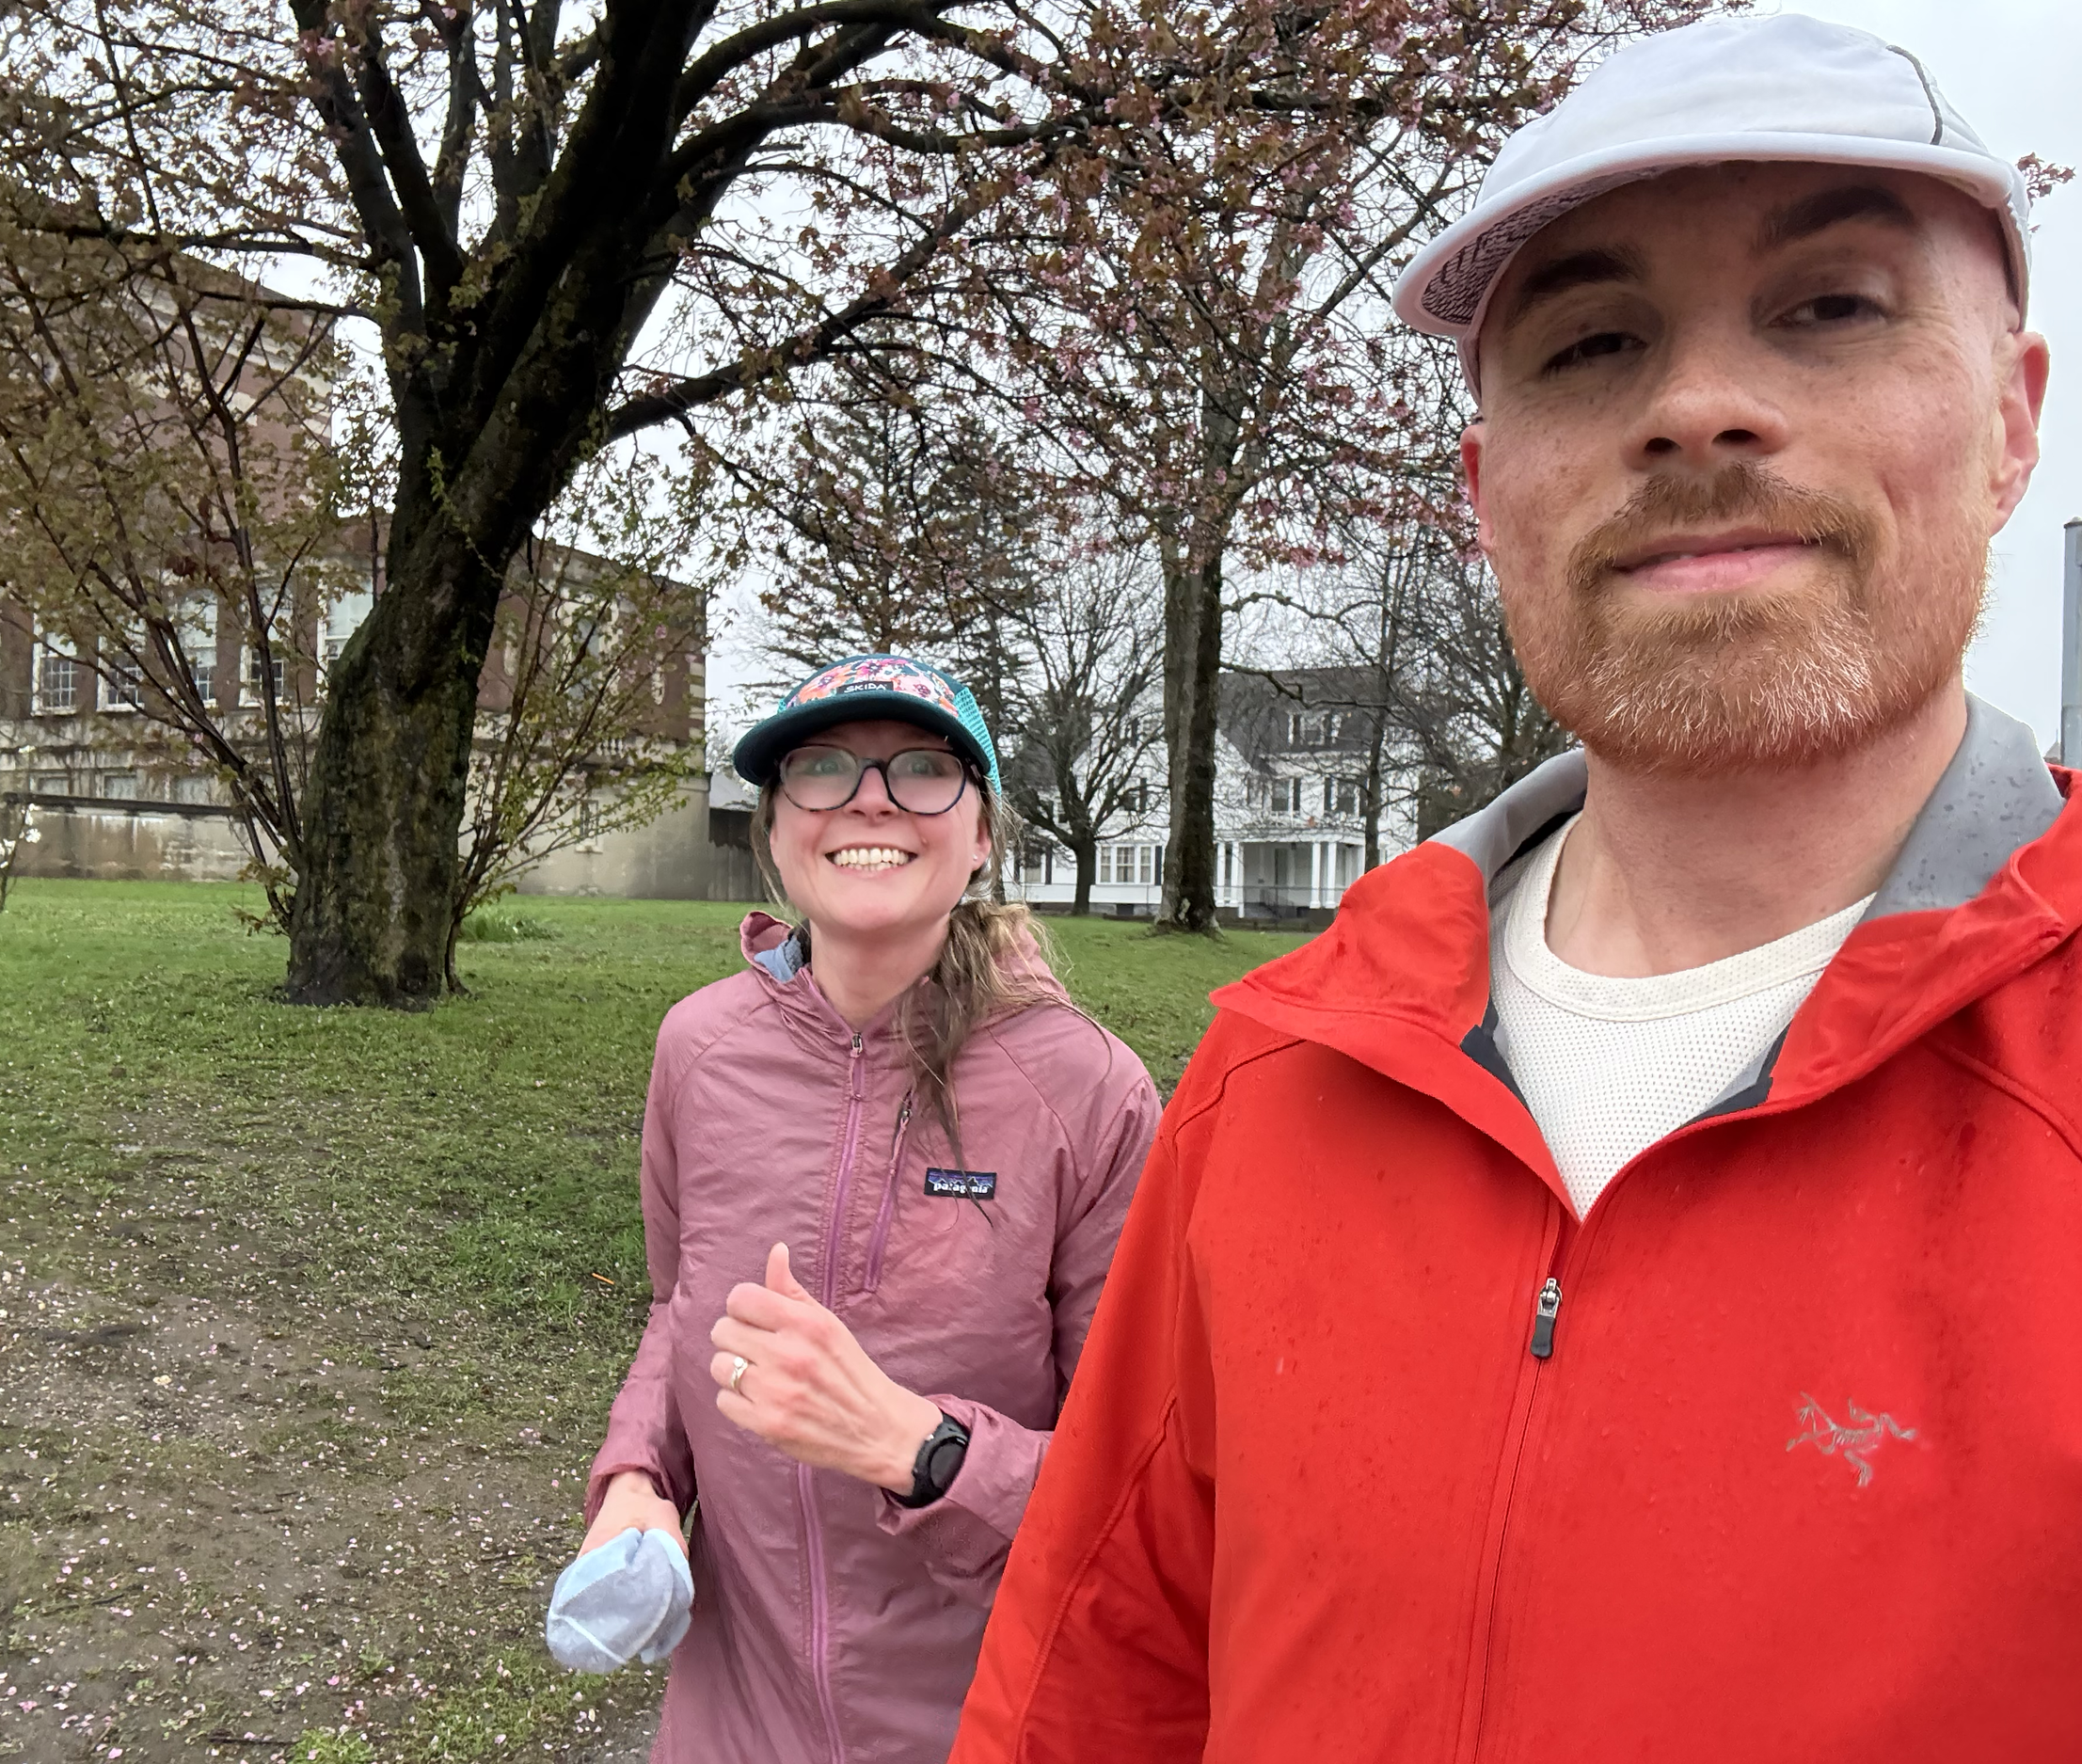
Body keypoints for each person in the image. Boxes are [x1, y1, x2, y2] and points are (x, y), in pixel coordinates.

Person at [950, 16, 2081, 1761]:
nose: (1699, 403)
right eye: (1594, 340)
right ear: (1488, 497)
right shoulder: (1277, 1073)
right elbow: (1092, 1692)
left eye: (1830, 307)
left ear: (2011, 420)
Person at [576, 653, 1160, 1762]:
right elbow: (679, 1310)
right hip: (730, 1720)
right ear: (777, 826)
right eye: (823, 768)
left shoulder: (1087, 1091)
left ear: (982, 833)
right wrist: (638, 1478)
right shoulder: (698, 1050)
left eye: (924, 770)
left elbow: (1145, 1483)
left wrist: (923, 1450)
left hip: (987, 1723)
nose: (871, 799)